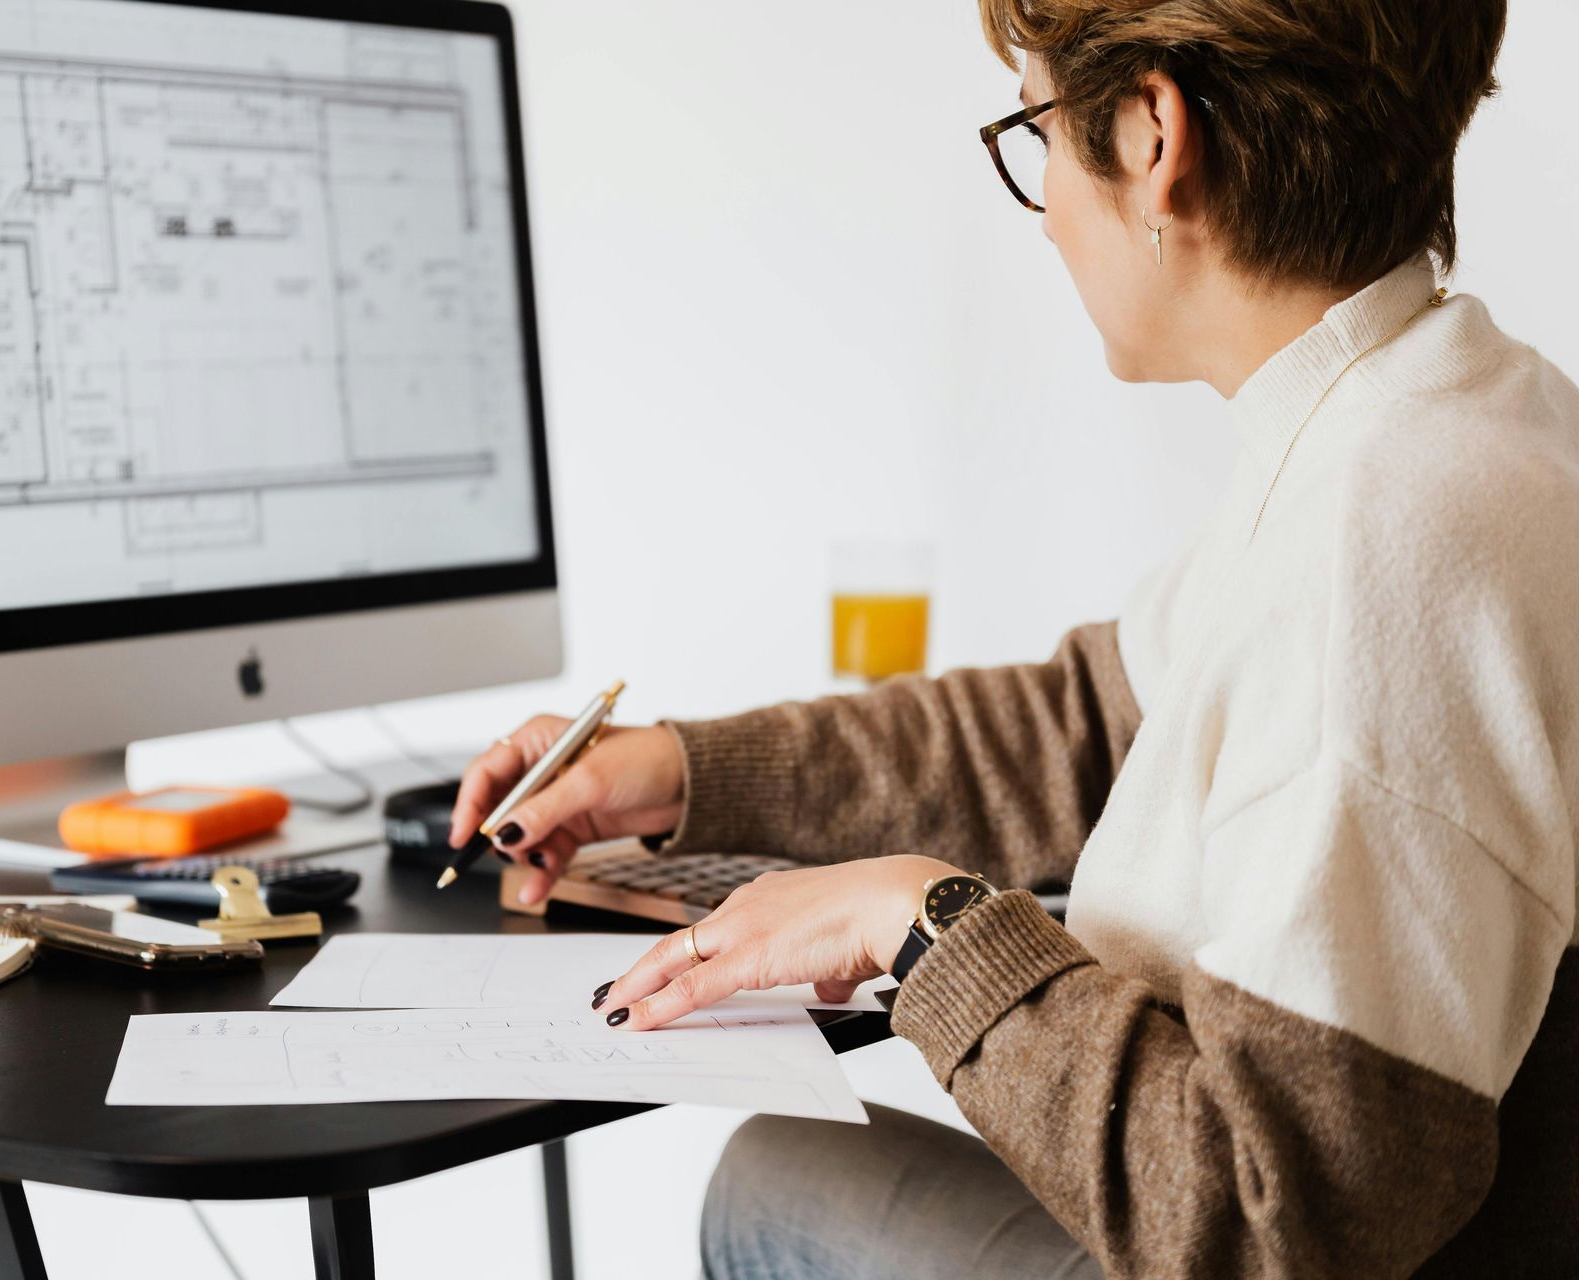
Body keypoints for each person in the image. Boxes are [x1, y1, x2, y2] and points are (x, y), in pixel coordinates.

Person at [452, 0, 1578, 1274]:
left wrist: (921, 924)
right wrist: (685, 768)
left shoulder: (1386, 539)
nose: (1044, 210)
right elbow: (1086, 724)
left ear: (1152, 134)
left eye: (1036, 130)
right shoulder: (1438, 419)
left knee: (770, 1181)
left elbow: (1276, 1221)